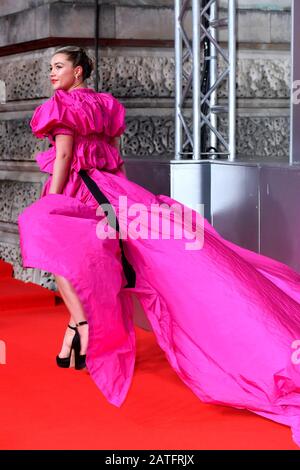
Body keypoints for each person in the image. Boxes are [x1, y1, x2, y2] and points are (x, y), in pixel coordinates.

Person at [18, 45, 300, 447]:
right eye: (50, 68)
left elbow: (63, 154)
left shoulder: (64, 106)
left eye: (59, 67)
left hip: (81, 192)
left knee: (62, 255)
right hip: (113, 193)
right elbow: (115, 161)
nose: (52, 74)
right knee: (108, 263)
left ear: (78, 72)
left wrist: (53, 200)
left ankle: (81, 328)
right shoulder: (104, 106)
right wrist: (128, 201)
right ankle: (75, 335)